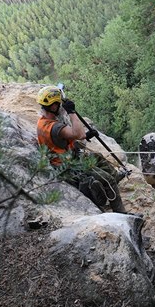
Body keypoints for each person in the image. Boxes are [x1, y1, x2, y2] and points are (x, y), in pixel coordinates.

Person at [35, 85, 127, 213]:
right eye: (59, 104)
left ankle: (115, 176)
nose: (61, 107)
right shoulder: (54, 127)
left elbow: (68, 138)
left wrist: (86, 135)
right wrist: (71, 112)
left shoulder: (43, 123)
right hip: (70, 167)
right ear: (53, 106)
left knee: (98, 156)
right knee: (108, 180)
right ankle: (121, 212)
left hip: (66, 160)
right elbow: (77, 133)